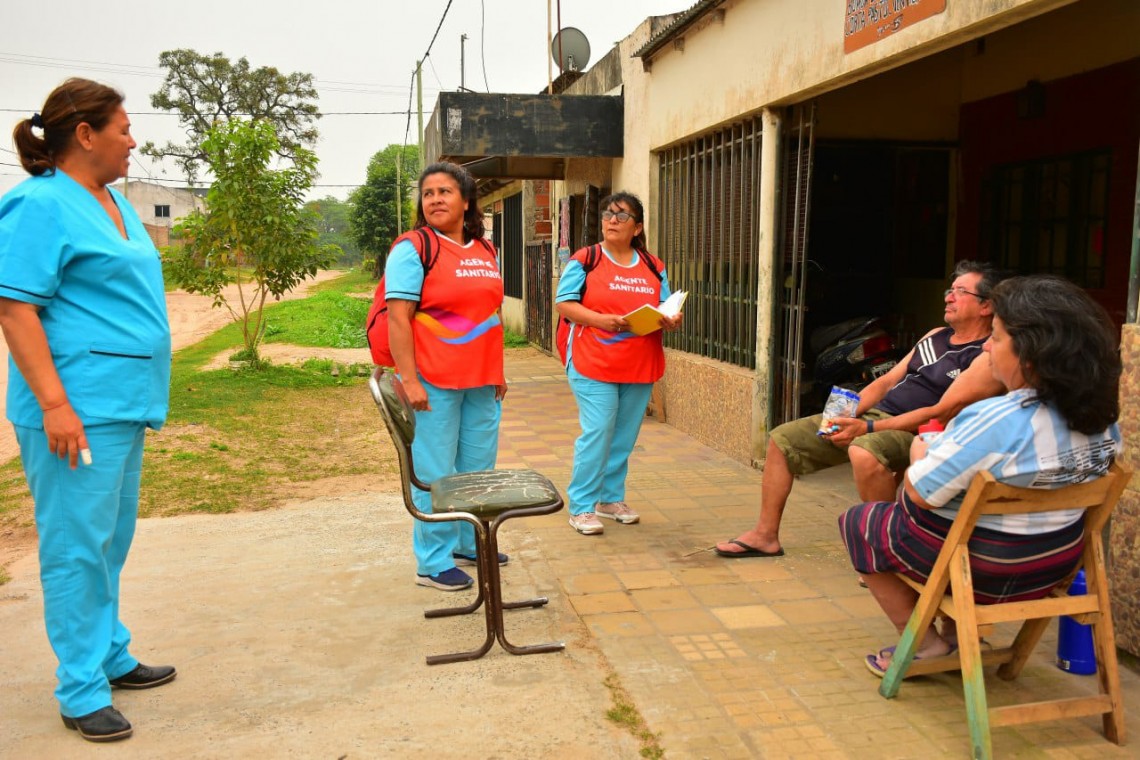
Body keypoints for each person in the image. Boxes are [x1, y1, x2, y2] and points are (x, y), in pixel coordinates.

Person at [0, 79, 175, 743]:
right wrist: (54, 405)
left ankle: (109, 653)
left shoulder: (113, 201)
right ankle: (80, 688)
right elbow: (14, 307)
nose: (133, 140)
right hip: (76, 409)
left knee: (109, 541)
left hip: (122, 403)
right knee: (77, 548)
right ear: (85, 134)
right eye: (123, 128)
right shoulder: (40, 204)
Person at [841, 275, 1122, 675]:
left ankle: (926, 644)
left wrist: (920, 453)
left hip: (988, 572)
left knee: (862, 521)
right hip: (1056, 566)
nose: (987, 347)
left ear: (1030, 355)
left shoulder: (996, 418)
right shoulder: (1104, 422)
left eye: (997, 338)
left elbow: (919, 493)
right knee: (962, 519)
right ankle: (958, 637)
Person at [716, 261, 1006, 558]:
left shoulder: (984, 353)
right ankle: (765, 536)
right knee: (782, 439)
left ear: (986, 306)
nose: (949, 297)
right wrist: (840, 416)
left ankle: (886, 552)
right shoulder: (934, 335)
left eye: (960, 291)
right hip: (877, 416)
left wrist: (867, 428)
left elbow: (940, 412)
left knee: (864, 451)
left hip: (920, 432)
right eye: (950, 290)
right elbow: (885, 382)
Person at [383, 161, 507, 591]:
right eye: (428, 193)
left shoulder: (486, 250)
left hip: (482, 380)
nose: (435, 199)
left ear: (466, 201)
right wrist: (409, 379)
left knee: (478, 468)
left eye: (445, 191)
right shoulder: (414, 248)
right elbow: (399, 319)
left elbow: (491, 314)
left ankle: (468, 544)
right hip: (433, 380)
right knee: (435, 472)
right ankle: (433, 562)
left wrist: (499, 370)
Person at [556, 192, 682, 535]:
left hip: (639, 362)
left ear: (637, 227)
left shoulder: (653, 266)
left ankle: (610, 499)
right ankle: (582, 506)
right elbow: (564, 304)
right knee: (599, 430)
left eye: (622, 216)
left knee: (624, 436)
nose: (612, 220)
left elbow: (665, 306)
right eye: (608, 214)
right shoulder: (586, 259)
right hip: (592, 359)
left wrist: (671, 319)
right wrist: (601, 320)